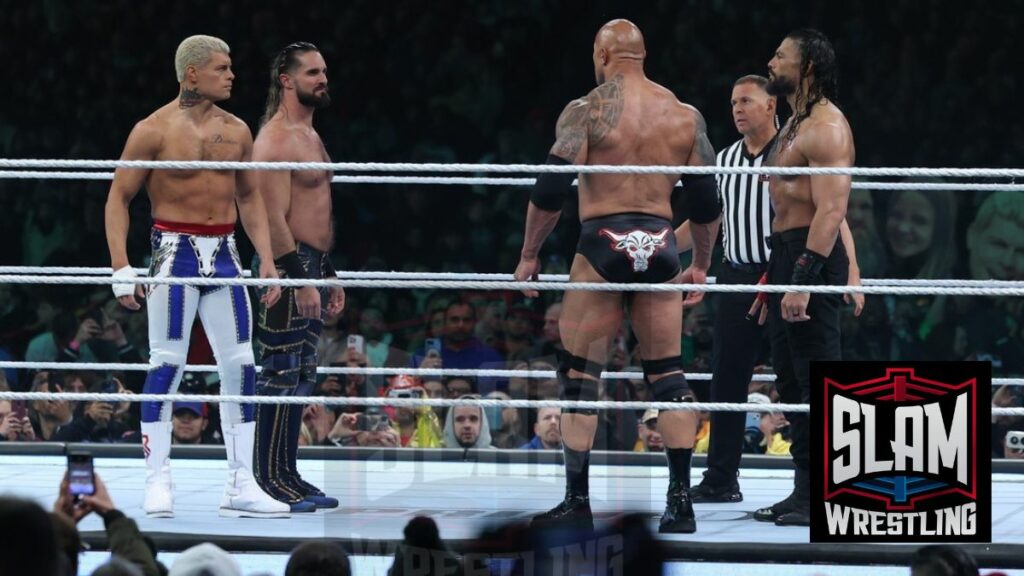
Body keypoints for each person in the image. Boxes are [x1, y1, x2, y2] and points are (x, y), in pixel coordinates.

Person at [513, 20, 721, 533]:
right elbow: (705, 201)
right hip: (659, 242)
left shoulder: (587, 109)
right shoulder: (684, 115)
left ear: (602, 53)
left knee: (580, 377)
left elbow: (551, 186)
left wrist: (528, 254)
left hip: (601, 241)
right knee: (669, 377)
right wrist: (700, 265)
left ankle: (577, 501)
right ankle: (679, 503)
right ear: (643, 55)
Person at [104, 35, 288, 519]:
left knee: (242, 366)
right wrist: (120, 266)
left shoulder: (238, 129)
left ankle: (241, 482)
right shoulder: (152, 130)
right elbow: (118, 197)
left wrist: (265, 258)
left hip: (226, 254)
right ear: (192, 74)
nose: (231, 76)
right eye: (221, 69)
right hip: (174, 253)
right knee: (167, 363)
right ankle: (157, 480)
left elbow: (249, 198)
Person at [678, 75, 862, 504]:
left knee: (797, 378)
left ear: (770, 106)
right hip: (737, 276)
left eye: (746, 100)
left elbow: (833, 212)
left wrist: (852, 271)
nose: (737, 109)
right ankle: (721, 479)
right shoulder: (723, 159)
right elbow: (708, 220)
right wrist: (664, 246)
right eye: (732, 102)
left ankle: (810, 488)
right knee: (727, 377)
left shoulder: (793, 150)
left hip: (785, 271)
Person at [748, 29, 855, 526]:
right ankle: (804, 489)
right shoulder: (794, 123)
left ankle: (826, 497)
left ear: (806, 66)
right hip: (786, 255)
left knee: (818, 382)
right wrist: (778, 274)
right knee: (791, 382)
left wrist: (804, 279)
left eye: (780, 56)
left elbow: (831, 211)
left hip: (810, 258)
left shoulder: (827, 127)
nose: (771, 62)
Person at [251, 41, 345, 512]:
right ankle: (267, 478)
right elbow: (272, 220)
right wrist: (300, 278)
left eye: (324, 70)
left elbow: (316, 211)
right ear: (286, 80)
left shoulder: (310, 134)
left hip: (312, 264)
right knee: (280, 374)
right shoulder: (274, 139)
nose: (322, 78)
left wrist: (328, 273)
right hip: (288, 268)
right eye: (312, 72)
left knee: (303, 376)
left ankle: (286, 471)